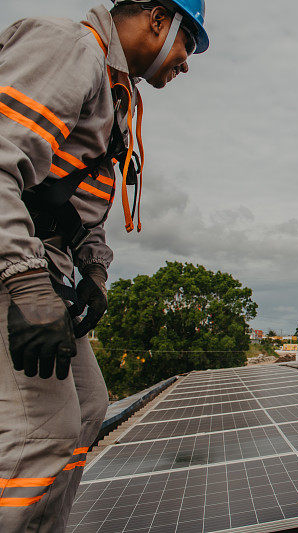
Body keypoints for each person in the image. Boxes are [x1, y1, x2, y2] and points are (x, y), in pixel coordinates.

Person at [0, 1, 208, 530]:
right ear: (158, 18)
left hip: (49, 265)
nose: (187, 62)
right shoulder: (68, 48)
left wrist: (93, 271)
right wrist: (25, 282)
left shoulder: (116, 91)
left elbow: (72, 198)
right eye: (189, 41)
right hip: (14, 259)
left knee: (90, 407)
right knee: (42, 434)